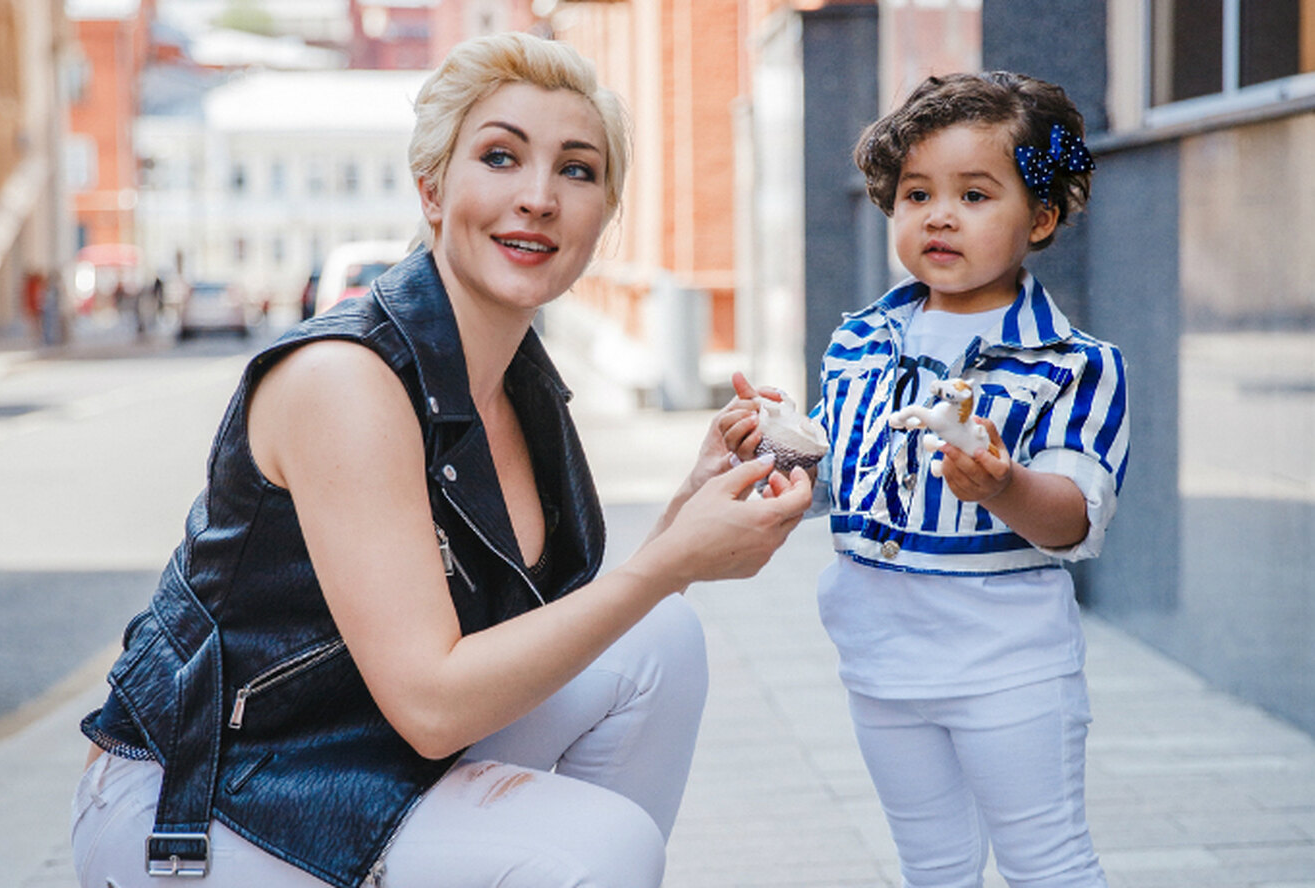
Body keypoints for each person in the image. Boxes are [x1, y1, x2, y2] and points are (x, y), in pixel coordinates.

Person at [71, 33, 811, 888]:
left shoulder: (517, 384)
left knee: (661, 640)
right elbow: (431, 704)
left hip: (369, 753)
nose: (538, 197)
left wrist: (686, 516)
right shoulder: (345, 380)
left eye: (577, 170)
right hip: (210, 799)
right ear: (432, 189)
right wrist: (670, 564)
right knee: (601, 846)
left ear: (603, 216)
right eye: (500, 157)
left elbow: (532, 639)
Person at [723, 72, 1128, 887]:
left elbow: (1075, 521)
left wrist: (1002, 485)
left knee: (1047, 865)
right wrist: (779, 447)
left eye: (975, 194)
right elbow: (841, 478)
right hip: (880, 662)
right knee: (933, 867)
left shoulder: (1073, 364)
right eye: (916, 195)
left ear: (1041, 217)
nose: (938, 215)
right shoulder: (861, 339)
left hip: (1009, 669)